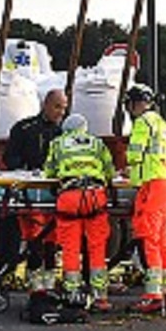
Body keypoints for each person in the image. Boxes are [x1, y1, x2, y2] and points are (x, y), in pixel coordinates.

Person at [43, 113, 115, 314]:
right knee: (97, 246)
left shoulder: (58, 143)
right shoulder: (96, 143)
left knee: (70, 248)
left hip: (70, 197)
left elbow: (49, 172)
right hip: (94, 196)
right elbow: (110, 171)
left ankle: (73, 294)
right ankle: (100, 296)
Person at [2, 88, 68, 281]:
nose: (61, 112)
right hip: (31, 191)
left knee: (54, 234)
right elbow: (10, 158)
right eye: (57, 107)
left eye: (64, 108)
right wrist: (26, 169)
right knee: (34, 233)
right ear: (45, 105)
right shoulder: (25, 129)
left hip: (56, 190)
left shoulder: (64, 132)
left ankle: (49, 276)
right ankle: (34, 275)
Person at [123, 83, 166, 315]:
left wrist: (128, 169)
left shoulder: (142, 123)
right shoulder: (164, 126)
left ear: (134, 104)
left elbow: (135, 155)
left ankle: (153, 295)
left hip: (152, 185)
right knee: (163, 240)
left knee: (147, 237)